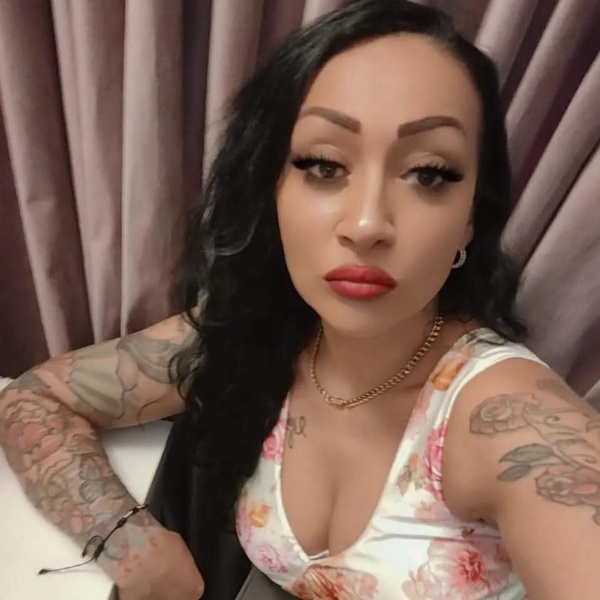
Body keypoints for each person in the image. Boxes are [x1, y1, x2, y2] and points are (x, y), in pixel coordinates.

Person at [1, 0, 599, 598]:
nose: (367, 224)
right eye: (324, 165)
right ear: (272, 189)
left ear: (470, 218)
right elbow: (33, 399)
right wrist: (129, 545)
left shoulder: (511, 424)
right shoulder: (256, 333)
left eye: (429, 174)